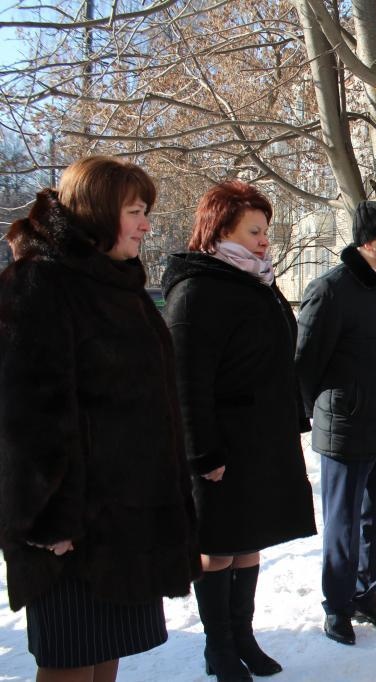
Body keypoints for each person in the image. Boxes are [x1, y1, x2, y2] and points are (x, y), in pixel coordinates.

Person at [0, 156, 201, 682]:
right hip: (72, 531)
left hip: (127, 524)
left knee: (105, 653)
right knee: (70, 662)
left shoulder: (118, 284)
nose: (146, 225)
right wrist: (46, 520)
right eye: (135, 211)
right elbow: (25, 416)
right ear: (97, 212)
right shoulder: (41, 283)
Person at [162, 181, 317, 681]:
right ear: (219, 229)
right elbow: (185, 381)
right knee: (217, 547)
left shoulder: (257, 282)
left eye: (265, 230)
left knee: (250, 539)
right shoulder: (197, 290)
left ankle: (243, 636)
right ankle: (219, 646)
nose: (264, 240)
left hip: (260, 441)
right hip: (221, 447)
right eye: (253, 230)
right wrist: (203, 453)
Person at [295, 200, 376, 645]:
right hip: (345, 430)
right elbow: (305, 363)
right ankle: (338, 606)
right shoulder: (331, 290)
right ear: (368, 243)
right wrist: (316, 416)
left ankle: (366, 595)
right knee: (343, 528)